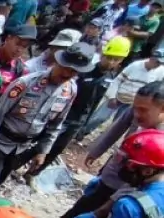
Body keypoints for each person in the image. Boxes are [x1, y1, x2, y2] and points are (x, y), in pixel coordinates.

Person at [0, 43, 91, 203]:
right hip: (0, 141)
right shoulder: (26, 83)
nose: (68, 74)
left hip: (23, 147)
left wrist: (43, 151)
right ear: (58, 62)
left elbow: (56, 124)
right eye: (66, 68)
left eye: (74, 71)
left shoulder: (69, 91)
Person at [63, 81, 164, 218]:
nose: (136, 114)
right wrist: (96, 151)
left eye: (143, 110)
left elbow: (140, 181)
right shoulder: (138, 111)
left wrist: (106, 206)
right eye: (135, 108)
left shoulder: (161, 141)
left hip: (129, 189)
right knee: (79, 210)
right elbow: (117, 128)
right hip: (112, 171)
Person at [28, 38, 127, 177]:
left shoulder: (110, 77)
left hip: (79, 120)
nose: (110, 62)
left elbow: (96, 102)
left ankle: (33, 174)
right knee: (42, 142)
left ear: (120, 62)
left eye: (115, 59)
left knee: (57, 148)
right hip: (65, 114)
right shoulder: (85, 71)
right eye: (109, 57)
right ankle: (18, 163)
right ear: (103, 54)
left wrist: (84, 125)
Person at [79, 49, 164, 140]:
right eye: (157, 62)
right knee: (98, 118)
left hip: (132, 104)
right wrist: (112, 96)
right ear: (151, 58)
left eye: (160, 63)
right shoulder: (135, 65)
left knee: (115, 125)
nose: (158, 64)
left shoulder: (161, 71)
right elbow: (118, 80)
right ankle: (80, 134)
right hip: (118, 96)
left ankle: (99, 142)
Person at [0, 24, 35, 93]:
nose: (19, 50)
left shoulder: (20, 69)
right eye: (18, 44)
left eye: (24, 47)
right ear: (8, 38)